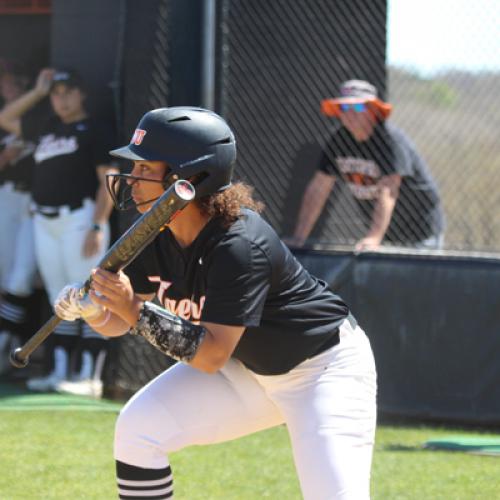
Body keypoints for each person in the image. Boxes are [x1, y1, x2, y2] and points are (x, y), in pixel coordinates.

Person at [54, 107, 377, 499]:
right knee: (138, 430)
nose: (132, 180)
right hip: (248, 371)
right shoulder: (156, 231)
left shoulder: (240, 244)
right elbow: (117, 322)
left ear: (185, 179)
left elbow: (210, 356)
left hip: (323, 371)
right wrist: (93, 308)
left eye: (144, 169)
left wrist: (133, 311)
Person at [0, 67, 117, 395]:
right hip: (44, 221)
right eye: (56, 93)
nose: (61, 99)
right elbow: (7, 118)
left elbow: (107, 181)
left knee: (87, 295)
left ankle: (90, 377)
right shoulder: (47, 126)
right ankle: (61, 372)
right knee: (59, 298)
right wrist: (37, 92)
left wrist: (98, 223)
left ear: (82, 94)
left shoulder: (95, 128)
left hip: (79, 219)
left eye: (67, 92)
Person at [287, 79, 444, 251]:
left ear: (373, 111)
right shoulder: (339, 140)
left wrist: (374, 237)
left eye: (359, 107)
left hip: (420, 233)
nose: (350, 114)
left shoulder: (390, 141)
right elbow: (319, 188)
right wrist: (299, 237)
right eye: (345, 108)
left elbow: (388, 191)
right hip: (388, 234)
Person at [0, 59, 38, 376]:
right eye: (4, 81)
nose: (7, 86)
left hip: (37, 203)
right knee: (7, 275)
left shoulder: (40, 119)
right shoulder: (6, 122)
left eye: (13, 80)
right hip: (8, 198)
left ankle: (12, 346)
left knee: (22, 277)